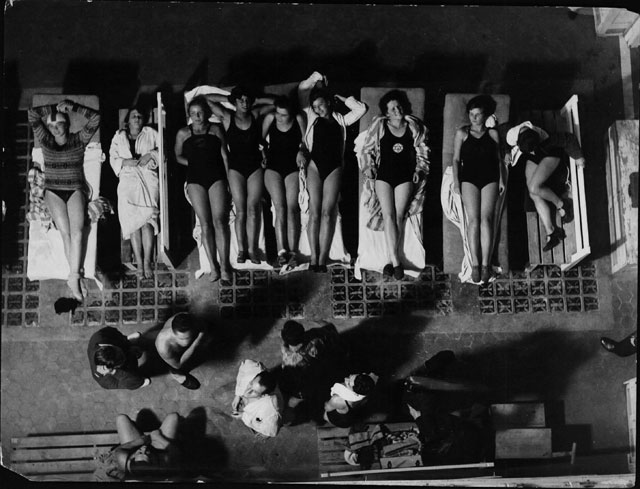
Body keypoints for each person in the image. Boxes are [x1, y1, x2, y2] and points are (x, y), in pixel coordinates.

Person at [28, 99, 101, 301]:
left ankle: (74, 278)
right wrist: (51, 109)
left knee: (78, 232)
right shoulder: (45, 141)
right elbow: (32, 114)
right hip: (53, 191)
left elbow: (96, 118)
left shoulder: (78, 140)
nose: (54, 129)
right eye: (50, 126)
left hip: (75, 188)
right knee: (66, 234)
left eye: (58, 124)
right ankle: (75, 278)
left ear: (67, 124)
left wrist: (73, 107)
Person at [298, 71, 367, 272]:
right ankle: (313, 257)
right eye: (315, 106)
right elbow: (303, 90)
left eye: (321, 105)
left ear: (329, 102)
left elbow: (360, 109)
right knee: (314, 213)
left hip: (334, 167)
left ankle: (321, 258)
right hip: (314, 165)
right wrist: (317, 79)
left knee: (328, 213)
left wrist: (340, 97)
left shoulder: (341, 120)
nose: (318, 109)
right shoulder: (311, 117)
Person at [357, 89, 430, 280]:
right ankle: (396, 262)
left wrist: (419, 170)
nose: (397, 110)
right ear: (386, 113)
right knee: (387, 214)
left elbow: (423, 151)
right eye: (392, 108)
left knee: (398, 215)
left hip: (405, 176)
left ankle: (391, 262)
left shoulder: (413, 126)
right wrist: (368, 168)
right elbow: (366, 150)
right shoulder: (379, 126)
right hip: (384, 176)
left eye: (398, 106)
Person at [204, 86, 275, 265]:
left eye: (247, 100)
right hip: (235, 169)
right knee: (241, 211)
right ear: (235, 102)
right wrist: (229, 98)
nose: (244, 103)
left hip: (255, 167)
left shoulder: (256, 114)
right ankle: (242, 250)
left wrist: (256, 100)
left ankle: (252, 249)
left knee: (253, 209)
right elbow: (207, 99)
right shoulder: (228, 117)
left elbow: (276, 103)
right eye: (240, 100)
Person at [175, 96, 233, 282]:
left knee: (219, 221)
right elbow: (177, 156)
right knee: (205, 223)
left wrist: (229, 179)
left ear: (206, 113)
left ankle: (224, 266)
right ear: (189, 115)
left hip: (216, 177)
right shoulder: (183, 133)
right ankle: (213, 267)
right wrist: (192, 162)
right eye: (193, 113)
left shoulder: (215, 129)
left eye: (200, 112)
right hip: (195, 179)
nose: (197, 116)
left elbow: (225, 155)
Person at [507, 122, 585, 252]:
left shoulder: (549, 139)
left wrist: (578, 156)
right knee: (532, 194)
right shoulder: (512, 135)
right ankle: (551, 232)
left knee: (533, 188)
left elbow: (569, 138)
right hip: (535, 157)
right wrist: (506, 152)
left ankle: (561, 204)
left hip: (550, 154)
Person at [452, 95, 503, 284]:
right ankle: (475, 264)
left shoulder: (493, 134)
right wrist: (457, 182)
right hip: (469, 179)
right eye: (471, 114)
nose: (473, 118)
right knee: (473, 220)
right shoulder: (462, 133)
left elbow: (499, 160)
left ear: (485, 115)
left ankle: (485, 265)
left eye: (478, 114)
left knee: (486, 220)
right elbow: (456, 160)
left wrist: (502, 180)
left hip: (490, 178)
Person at [109, 106, 161, 278]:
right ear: (128, 121)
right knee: (133, 222)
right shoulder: (119, 137)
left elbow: (164, 150)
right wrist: (125, 162)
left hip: (147, 177)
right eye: (133, 116)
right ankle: (139, 263)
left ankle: (147, 262)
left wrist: (151, 155)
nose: (137, 118)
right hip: (128, 179)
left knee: (147, 221)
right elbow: (112, 158)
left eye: (139, 116)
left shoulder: (151, 133)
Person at [262, 95, 308, 268]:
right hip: (273, 167)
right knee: (279, 208)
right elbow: (259, 141)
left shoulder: (298, 118)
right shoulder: (270, 118)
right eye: (278, 114)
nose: (280, 117)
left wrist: (301, 150)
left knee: (292, 208)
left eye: (284, 115)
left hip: (292, 167)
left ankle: (293, 252)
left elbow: (305, 139)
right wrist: (263, 154)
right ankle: (282, 251)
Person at [93, 411, 182, 482]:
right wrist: (158, 437)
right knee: (173, 417)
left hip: (133, 450)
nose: (144, 448)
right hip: (157, 451)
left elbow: (125, 448)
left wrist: (142, 440)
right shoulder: (162, 464)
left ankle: (136, 429)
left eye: (141, 452)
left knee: (121, 419)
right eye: (146, 452)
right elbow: (176, 453)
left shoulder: (122, 458)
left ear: (132, 458)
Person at [155, 312, 210, 390]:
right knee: (176, 369)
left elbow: (202, 325)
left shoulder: (189, 318)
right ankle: (178, 376)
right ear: (173, 332)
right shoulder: (163, 347)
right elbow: (178, 365)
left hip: (185, 348)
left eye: (189, 337)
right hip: (174, 360)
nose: (185, 342)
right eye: (182, 338)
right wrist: (196, 343)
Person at [231, 359, 282, 437]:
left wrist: (243, 416)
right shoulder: (252, 368)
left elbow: (273, 432)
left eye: (254, 392)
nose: (246, 392)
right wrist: (237, 394)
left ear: (264, 395)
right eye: (250, 384)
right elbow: (244, 366)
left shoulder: (269, 406)